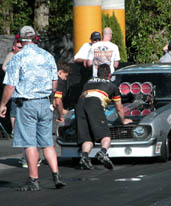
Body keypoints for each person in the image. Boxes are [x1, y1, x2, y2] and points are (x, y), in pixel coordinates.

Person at [0, 25, 66, 191]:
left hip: (26, 104)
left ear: (20, 39)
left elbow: (10, 85)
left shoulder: (18, 57)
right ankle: (56, 175)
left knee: (29, 143)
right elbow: (54, 82)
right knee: (47, 143)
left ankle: (33, 179)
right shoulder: (48, 56)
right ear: (35, 37)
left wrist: (2, 104)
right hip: (44, 102)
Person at [76, 64, 132, 170]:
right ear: (109, 75)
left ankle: (84, 157)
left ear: (97, 74)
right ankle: (103, 153)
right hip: (94, 104)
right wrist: (123, 120)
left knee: (88, 138)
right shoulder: (112, 86)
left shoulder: (88, 82)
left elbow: (84, 96)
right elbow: (119, 108)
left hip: (79, 106)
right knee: (105, 136)